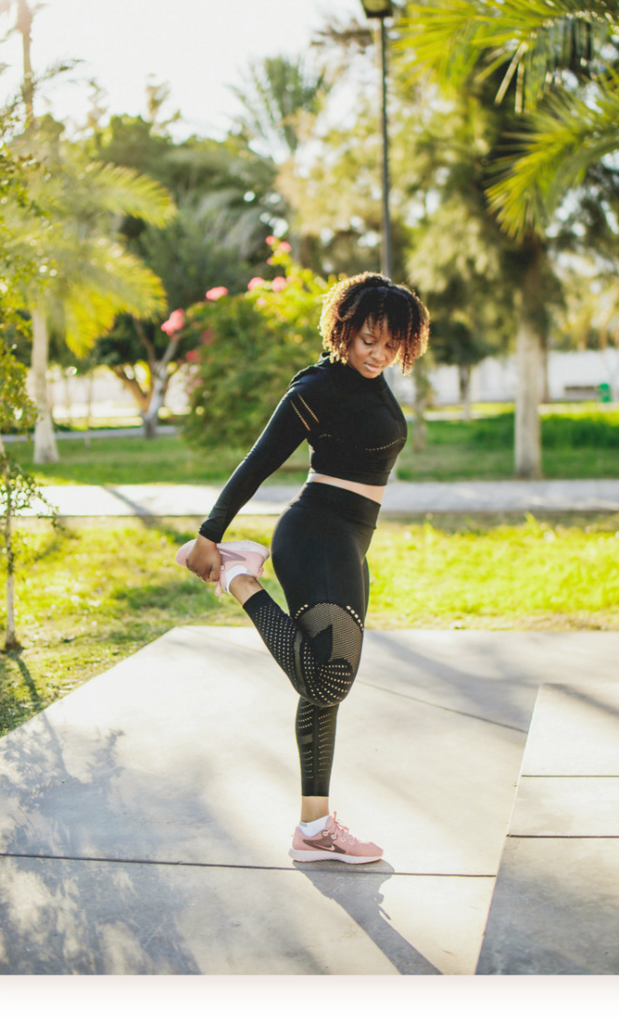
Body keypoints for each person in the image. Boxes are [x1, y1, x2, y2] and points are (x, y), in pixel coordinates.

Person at [176, 272, 430, 863]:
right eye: (369, 339)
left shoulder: (370, 384)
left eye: (391, 345)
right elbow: (258, 462)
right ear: (345, 329)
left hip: (348, 543)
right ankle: (241, 577)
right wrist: (208, 537)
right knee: (328, 678)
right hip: (316, 533)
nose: (379, 354)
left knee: (324, 692)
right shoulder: (317, 386)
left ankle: (314, 833)